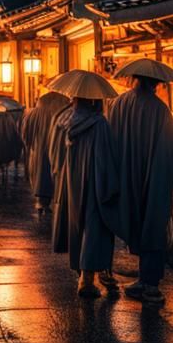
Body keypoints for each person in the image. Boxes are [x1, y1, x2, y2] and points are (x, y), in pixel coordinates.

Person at [108, 73, 173, 306]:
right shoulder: (160, 109)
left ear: (135, 79)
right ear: (155, 83)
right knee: (154, 223)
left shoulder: (119, 104)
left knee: (135, 220)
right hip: (154, 176)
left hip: (127, 175)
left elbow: (110, 138)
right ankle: (150, 284)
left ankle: (143, 279)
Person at [54, 95, 122, 299]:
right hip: (94, 181)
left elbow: (56, 154)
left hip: (71, 181)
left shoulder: (64, 121)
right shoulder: (99, 123)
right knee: (95, 227)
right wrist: (111, 185)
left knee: (77, 225)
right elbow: (105, 156)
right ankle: (87, 278)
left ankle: (82, 272)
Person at [21, 90, 70, 214]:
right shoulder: (65, 113)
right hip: (60, 150)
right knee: (57, 174)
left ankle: (42, 202)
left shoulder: (34, 113)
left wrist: (30, 145)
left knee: (41, 174)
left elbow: (25, 133)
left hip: (39, 149)